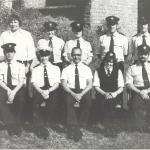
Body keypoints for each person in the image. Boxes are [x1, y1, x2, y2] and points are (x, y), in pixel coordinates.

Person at [61, 47, 93, 142]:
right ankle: (72, 126)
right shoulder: (66, 69)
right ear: (71, 55)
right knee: (68, 101)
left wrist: (81, 94)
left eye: (78, 55)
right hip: (71, 90)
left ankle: (80, 125)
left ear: (81, 56)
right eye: (74, 54)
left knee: (88, 102)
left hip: (83, 91)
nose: (76, 57)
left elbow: (90, 84)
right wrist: (73, 93)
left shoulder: (86, 68)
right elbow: (64, 84)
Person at [31, 40, 61, 139]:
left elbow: (57, 83)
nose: (44, 58)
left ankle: (48, 122)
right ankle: (40, 126)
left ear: (49, 56)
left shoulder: (56, 68)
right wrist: (42, 92)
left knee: (54, 101)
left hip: (52, 90)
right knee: (35, 103)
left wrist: (48, 91)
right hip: (40, 90)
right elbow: (34, 83)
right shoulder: (35, 69)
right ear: (39, 56)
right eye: (42, 56)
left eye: (46, 56)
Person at [0, 43, 26, 136]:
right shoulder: (1, 65)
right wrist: (8, 90)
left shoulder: (20, 65)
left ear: (14, 53)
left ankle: (17, 124)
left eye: (11, 52)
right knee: (0, 100)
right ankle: (11, 124)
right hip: (4, 87)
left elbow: (22, 80)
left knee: (21, 100)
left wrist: (14, 91)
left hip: (17, 87)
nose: (9, 54)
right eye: (7, 52)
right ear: (4, 53)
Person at [93, 51, 124, 128]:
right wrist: (104, 94)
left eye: (111, 62)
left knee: (112, 104)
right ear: (104, 61)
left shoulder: (118, 71)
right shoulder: (98, 71)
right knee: (103, 103)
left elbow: (121, 87)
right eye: (107, 61)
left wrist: (114, 94)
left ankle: (111, 123)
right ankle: (105, 123)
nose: (109, 64)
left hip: (114, 94)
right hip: (102, 94)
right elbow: (96, 86)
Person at [126, 44, 150, 132]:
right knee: (135, 105)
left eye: (145, 54)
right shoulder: (132, 68)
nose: (143, 56)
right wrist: (140, 92)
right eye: (141, 54)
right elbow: (128, 84)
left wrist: (147, 91)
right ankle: (142, 126)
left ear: (148, 55)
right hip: (137, 90)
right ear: (138, 54)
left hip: (149, 89)